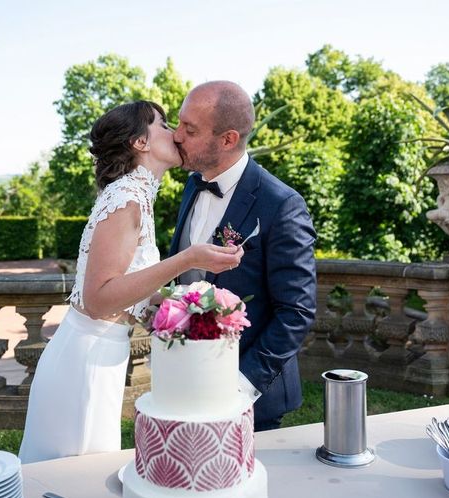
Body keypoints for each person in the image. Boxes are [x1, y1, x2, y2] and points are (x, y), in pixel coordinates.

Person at [19, 101, 243, 464]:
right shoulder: (126, 199)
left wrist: (186, 301)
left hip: (102, 354)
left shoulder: (136, 195)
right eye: (163, 124)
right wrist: (186, 260)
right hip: (85, 361)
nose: (175, 133)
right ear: (140, 143)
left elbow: (123, 286)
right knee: (74, 478)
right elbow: (98, 299)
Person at [170, 81, 317, 431]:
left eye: (189, 129)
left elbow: (296, 311)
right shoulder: (193, 184)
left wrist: (239, 385)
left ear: (228, 139)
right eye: (179, 123)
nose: (176, 136)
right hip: (187, 380)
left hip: (250, 399)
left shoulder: (281, 205)